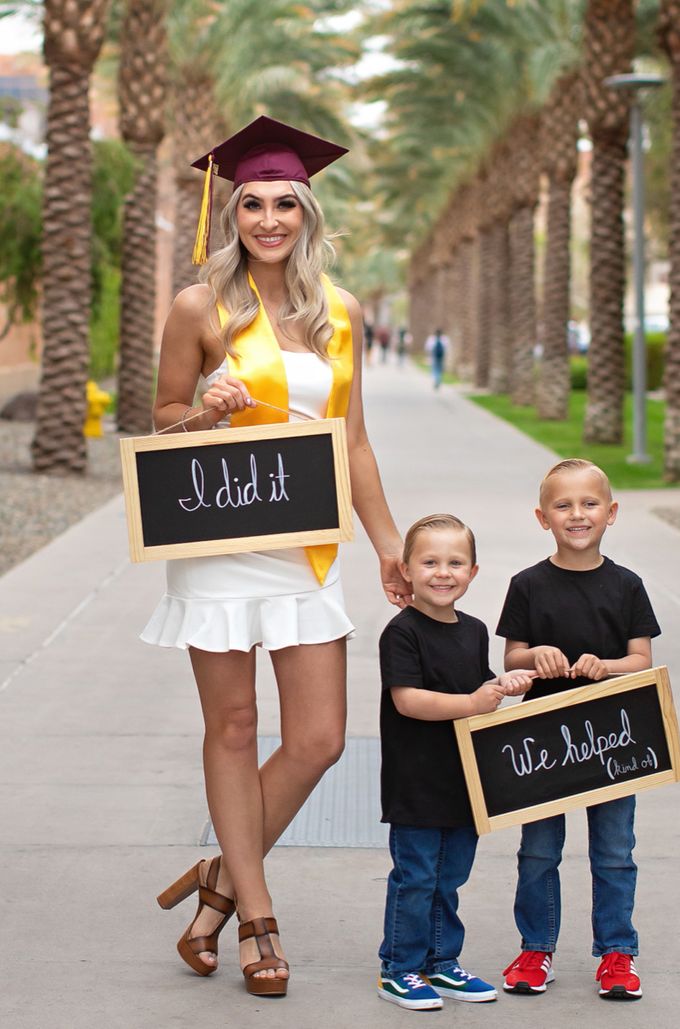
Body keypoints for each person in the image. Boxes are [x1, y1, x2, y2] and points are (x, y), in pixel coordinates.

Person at [142, 115, 410, 998]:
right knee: (233, 727)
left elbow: (355, 441)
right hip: (220, 536)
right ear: (232, 213)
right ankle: (257, 917)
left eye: (282, 203)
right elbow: (161, 420)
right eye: (251, 202)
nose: (266, 217)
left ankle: (215, 880)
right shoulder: (200, 307)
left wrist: (386, 542)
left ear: (306, 212)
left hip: (307, 545)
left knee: (321, 738)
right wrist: (209, 412)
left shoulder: (340, 312)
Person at [496, 459, 661, 1002]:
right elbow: (512, 659)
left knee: (614, 850)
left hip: (615, 740)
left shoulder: (627, 585)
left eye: (589, 503)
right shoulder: (526, 585)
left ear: (610, 513)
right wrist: (533, 655)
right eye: (563, 505)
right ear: (542, 517)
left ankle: (617, 953)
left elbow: (642, 661)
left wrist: (606, 666)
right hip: (544, 743)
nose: (577, 514)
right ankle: (535, 948)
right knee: (539, 850)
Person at [376, 514, 535, 1010]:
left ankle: (442, 962)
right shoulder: (402, 633)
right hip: (417, 781)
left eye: (455, 563)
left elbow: (476, 681)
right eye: (429, 562)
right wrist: (471, 703)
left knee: (451, 876)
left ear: (473, 571)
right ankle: (399, 968)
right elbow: (409, 700)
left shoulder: (474, 630)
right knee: (417, 876)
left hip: (464, 780)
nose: (442, 573)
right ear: (405, 569)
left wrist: (505, 684)